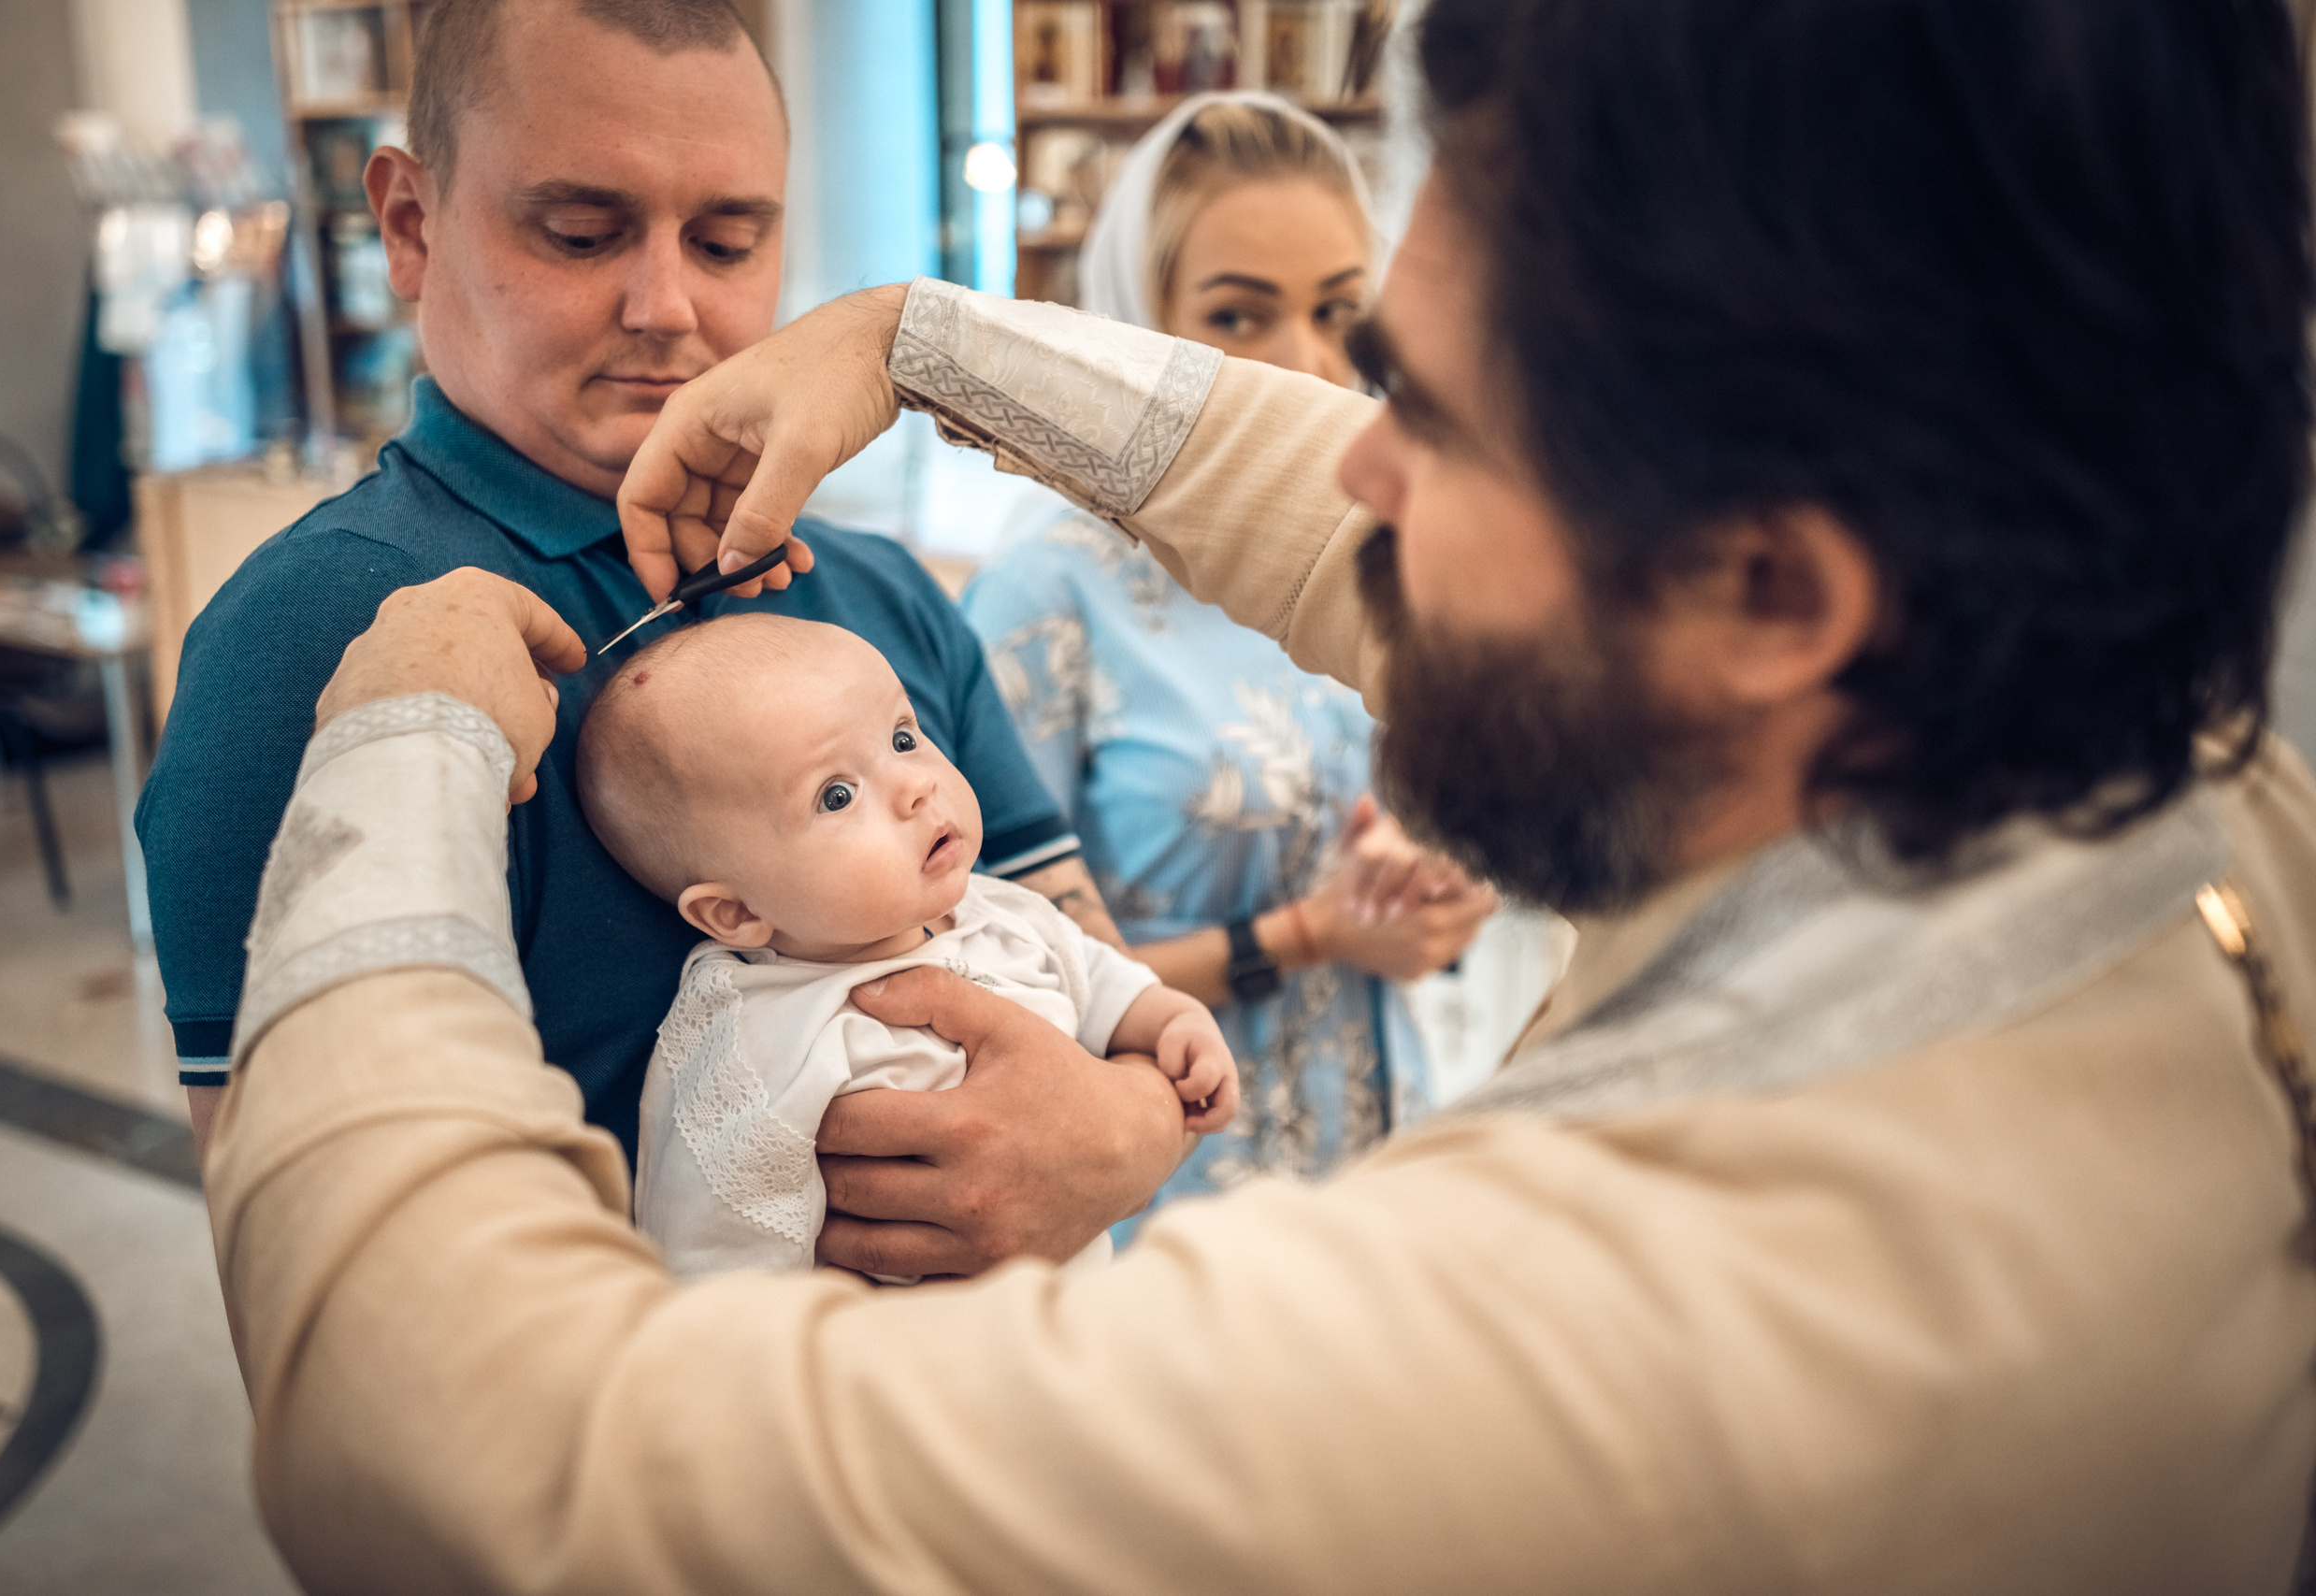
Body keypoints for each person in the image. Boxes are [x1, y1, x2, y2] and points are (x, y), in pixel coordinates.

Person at [204, 0, 2316, 1587]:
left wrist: (398, 751)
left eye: (1429, 411)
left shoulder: (1587, 1346)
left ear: (1767, 585)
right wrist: (916, 341)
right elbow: (1316, 516)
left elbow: (459, 1452)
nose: (1354, 470)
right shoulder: (2176, 790)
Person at [136, 0, 1175, 1225]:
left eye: (729, 241)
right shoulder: (310, 644)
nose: (667, 307)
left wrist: (1134, 1127)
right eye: (582, 233)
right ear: (411, 226)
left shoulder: (877, 594)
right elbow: (317, 1282)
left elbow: (1073, 950)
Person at [964, 93, 1493, 1208]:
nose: (1302, 364)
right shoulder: (1047, 598)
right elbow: (994, 968)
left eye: (1340, 312)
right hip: (1170, 1192)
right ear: (1138, 327)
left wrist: (1430, 884)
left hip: (1380, 1161)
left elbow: (1414, 848)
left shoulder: (1396, 557)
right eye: (1239, 317)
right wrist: (1302, 936)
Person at [572, 614, 1235, 1278]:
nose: (916, 784)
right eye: (837, 795)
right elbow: (711, 1256)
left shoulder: (999, 910)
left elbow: (1097, 975)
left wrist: (1170, 1020)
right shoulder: (750, 1039)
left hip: (1071, 1340)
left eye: (902, 737)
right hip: (886, 1369)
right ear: (737, 911)